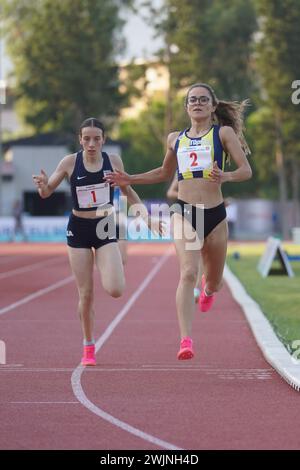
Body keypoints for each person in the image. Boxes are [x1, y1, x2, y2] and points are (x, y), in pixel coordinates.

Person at [105, 83, 252, 360]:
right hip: (185, 211)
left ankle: (209, 289)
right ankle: (186, 340)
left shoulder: (223, 133)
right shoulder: (175, 138)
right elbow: (163, 172)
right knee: (187, 273)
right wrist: (130, 179)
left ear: (212, 105)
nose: (197, 103)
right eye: (192, 100)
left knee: (216, 282)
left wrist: (227, 177)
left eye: (202, 99)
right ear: (186, 107)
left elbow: (246, 170)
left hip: (215, 212)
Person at [33, 117, 162, 366]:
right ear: (80, 140)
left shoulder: (113, 162)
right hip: (79, 229)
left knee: (115, 289)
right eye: (87, 138)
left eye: (96, 138)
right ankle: (88, 345)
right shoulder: (70, 162)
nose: (91, 143)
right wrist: (42, 186)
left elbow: (128, 191)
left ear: (103, 140)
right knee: (86, 293)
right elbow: (47, 191)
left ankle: (113, 256)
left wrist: (147, 218)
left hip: (104, 225)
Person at [166, 174, 202, 303]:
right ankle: (191, 286)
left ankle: (197, 287)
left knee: (200, 252)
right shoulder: (181, 170)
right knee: (187, 255)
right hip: (185, 211)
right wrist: (187, 195)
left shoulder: (207, 167)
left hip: (202, 210)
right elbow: (170, 192)